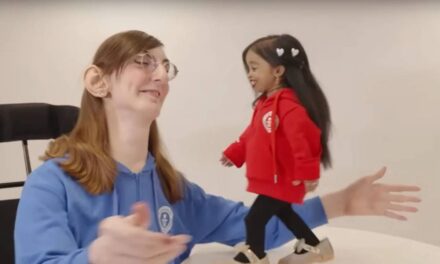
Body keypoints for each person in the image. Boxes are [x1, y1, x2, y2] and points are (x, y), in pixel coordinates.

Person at [14, 30, 421, 264]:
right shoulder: (51, 184)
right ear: (97, 81)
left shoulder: (175, 190)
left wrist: (339, 204)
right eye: (144, 61)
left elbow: (254, 224)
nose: (161, 75)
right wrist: (100, 257)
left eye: (166, 66)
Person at [220, 34, 332, 264]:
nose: (249, 75)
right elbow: (252, 134)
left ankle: (254, 255)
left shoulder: (289, 107)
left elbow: (306, 140)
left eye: (254, 67)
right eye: (248, 69)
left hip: (283, 177)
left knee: (254, 219)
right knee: (284, 213)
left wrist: (308, 173)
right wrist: (235, 152)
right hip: (274, 177)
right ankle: (314, 246)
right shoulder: (266, 104)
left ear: (278, 71)